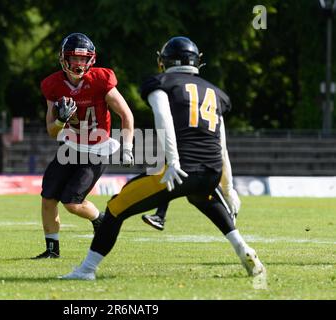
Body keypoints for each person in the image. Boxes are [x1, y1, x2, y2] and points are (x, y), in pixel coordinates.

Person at [60, 36, 265, 279]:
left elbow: (163, 118)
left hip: (181, 168)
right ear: (196, 61)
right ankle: (244, 249)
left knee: (116, 207)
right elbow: (221, 143)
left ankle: (86, 270)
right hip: (211, 171)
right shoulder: (214, 92)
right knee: (203, 200)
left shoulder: (162, 83)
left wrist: (174, 161)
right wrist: (228, 187)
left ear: (164, 61)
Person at [32, 33, 134, 259]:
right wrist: (60, 121)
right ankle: (52, 250)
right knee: (48, 197)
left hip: (97, 150)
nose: (79, 63)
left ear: (91, 60)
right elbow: (51, 130)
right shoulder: (53, 85)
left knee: (72, 202)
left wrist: (127, 147)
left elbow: (126, 114)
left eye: (83, 58)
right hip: (71, 147)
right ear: (63, 58)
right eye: (74, 58)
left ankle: (101, 219)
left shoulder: (101, 79)